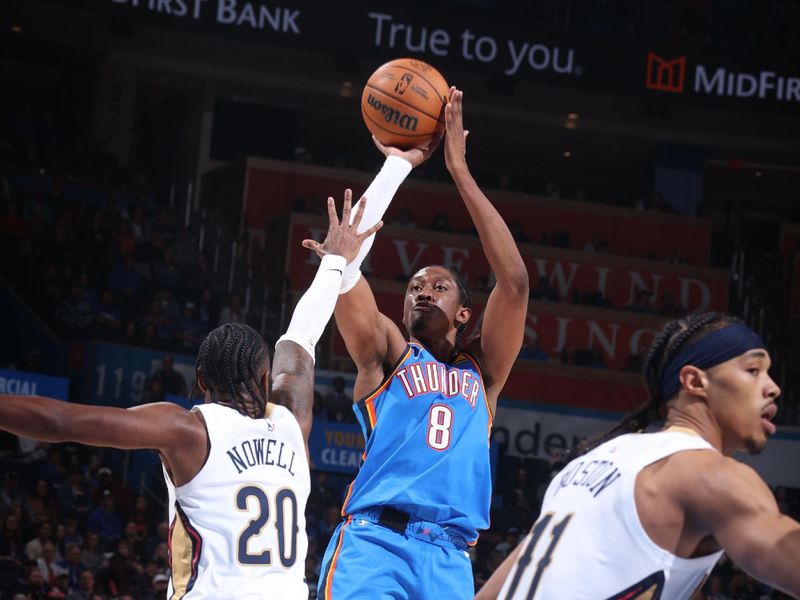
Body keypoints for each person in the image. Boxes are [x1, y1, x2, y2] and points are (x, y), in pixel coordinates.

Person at [0, 195, 382, 600]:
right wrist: (336, 261)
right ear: (266, 376)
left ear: (200, 379)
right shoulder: (292, 421)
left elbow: (62, 422)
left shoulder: (189, 430)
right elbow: (302, 335)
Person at [305, 88, 529, 599]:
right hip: (375, 545)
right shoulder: (390, 352)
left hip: (451, 559)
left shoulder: (484, 375)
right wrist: (390, 176)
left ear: (465, 313)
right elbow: (345, 275)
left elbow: (514, 282)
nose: (422, 290)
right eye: (413, 287)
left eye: (438, 286)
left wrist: (459, 171)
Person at [477, 312, 800, 599]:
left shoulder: (594, 460)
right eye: (754, 370)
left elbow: (499, 589)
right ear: (695, 381)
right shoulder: (708, 473)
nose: (773, 388)